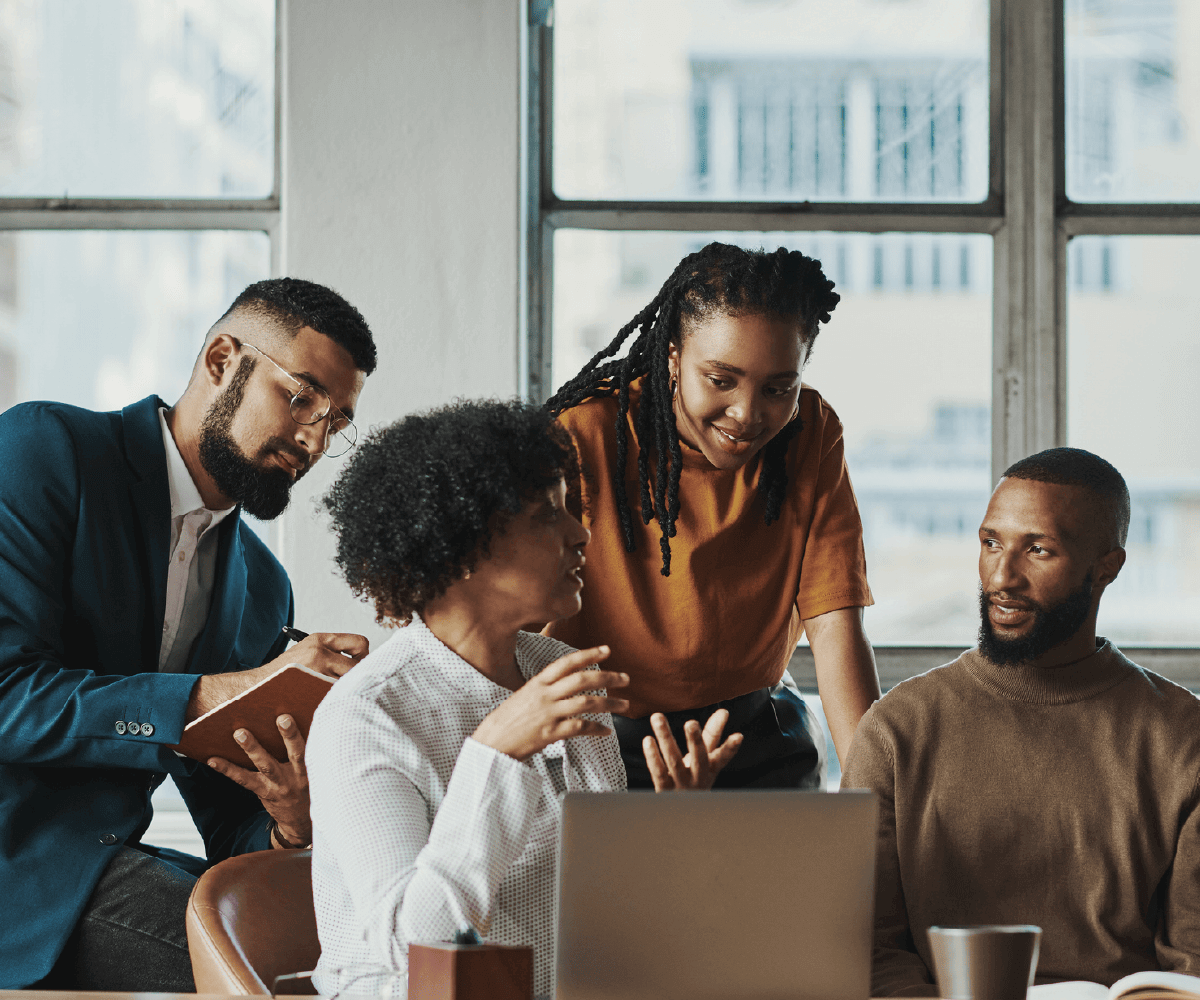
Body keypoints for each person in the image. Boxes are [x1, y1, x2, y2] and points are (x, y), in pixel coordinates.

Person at [0, 277, 377, 991]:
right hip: (17, 873)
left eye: (336, 422)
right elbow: (6, 697)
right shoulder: (46, 450)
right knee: (296, 972)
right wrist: (209, 693)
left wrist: (291, 819)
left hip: (109, 864)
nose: (313, 438)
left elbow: (231, 820)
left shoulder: (261, 587)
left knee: (367, 939)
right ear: (221, 360)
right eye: (301, 398)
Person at [311, 399, 741, 1000]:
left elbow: (597, 927)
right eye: (548, 515)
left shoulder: (561, 676)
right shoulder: (365, 716)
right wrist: (494, 754)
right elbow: (416, 958)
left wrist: (663, 837)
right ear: (460, 548)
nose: (580, 533)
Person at [841, 447, 1200, 996]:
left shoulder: (1183, 736)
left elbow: (1191, 963)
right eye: (990, 543)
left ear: (1107, 566)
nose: (1002, 577)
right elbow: (868, 947)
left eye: (1038, 550)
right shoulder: (897, 729)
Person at [544, 242, 879, 788]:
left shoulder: (811, 432)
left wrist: (877, 801)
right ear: (673, 358)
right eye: (720, 380)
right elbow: (507, 620)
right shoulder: (584, 435)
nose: (747, 414)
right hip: (600, 741)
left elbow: (834, 623)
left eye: (778, 388)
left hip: (756, 730)